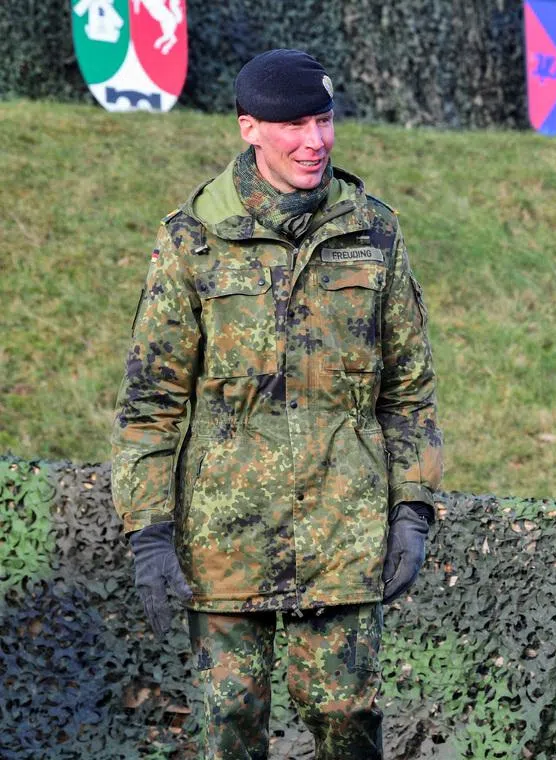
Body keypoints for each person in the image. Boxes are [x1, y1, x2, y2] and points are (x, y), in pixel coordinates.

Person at [110, 49, 443, 759]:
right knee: (229, 723)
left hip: (342, 529)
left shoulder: (375, 234)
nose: (314, 142)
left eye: (323, 121)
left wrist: (412, 508)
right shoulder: (192, 241)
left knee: (347, 719)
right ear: (249, 129)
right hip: (226, 534)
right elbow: (150, 404)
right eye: (293, 125)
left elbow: (409, 393)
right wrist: (149, 532)